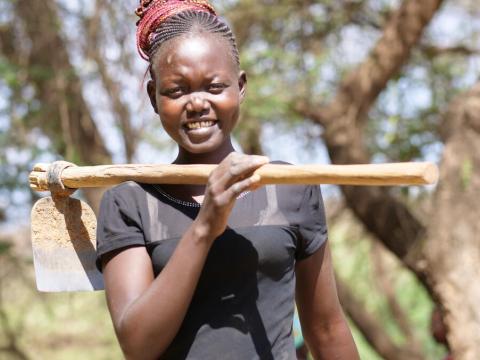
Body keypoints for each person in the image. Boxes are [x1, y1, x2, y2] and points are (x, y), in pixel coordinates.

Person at [96, 1, 359, 359]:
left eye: (214, 87)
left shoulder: (288, 186)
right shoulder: (130, 203)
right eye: (177, 91)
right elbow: (137, 346)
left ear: (241, 87)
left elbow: (326, 329)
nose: (197, 103)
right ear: (154, 98)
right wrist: (204, 228)